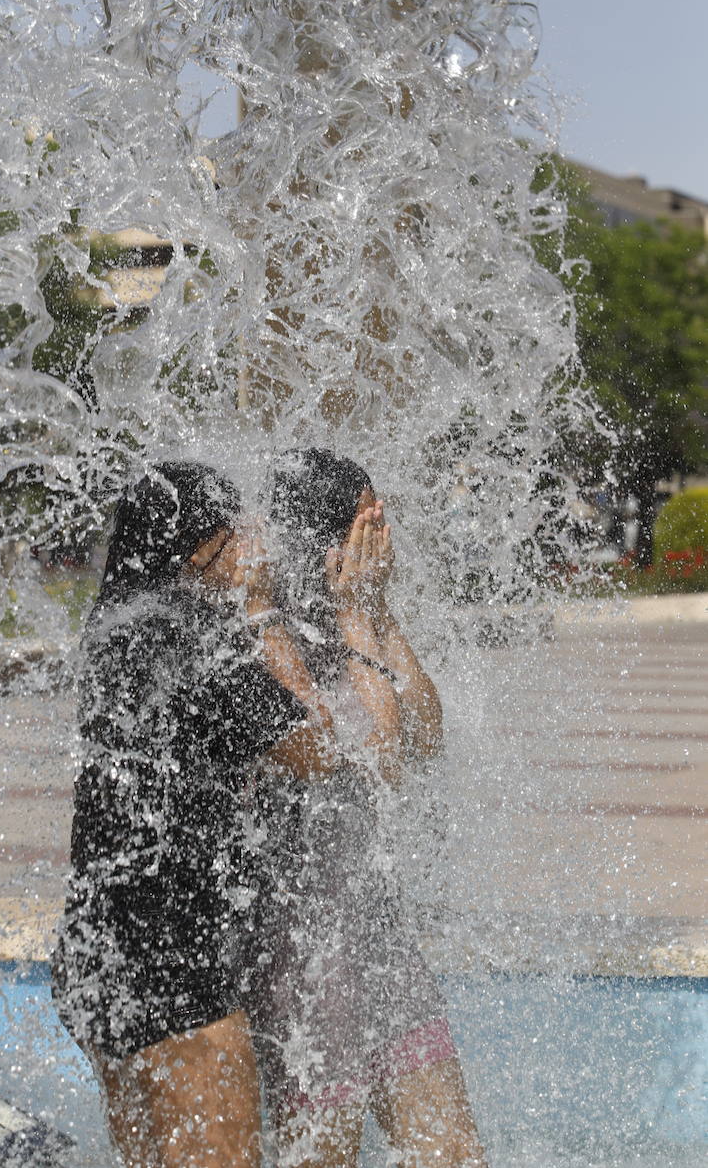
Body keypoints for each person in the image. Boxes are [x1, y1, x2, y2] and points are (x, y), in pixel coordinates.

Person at [52, 460, 336, 1168]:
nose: (253, 534)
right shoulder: (197, 638)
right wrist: (262, 606)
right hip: (176, 963)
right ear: (201, 545)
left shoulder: (114, 630)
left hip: (96, 949)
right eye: (235, 522)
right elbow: (318, 748)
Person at [244, 448, 486, 1167]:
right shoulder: (269, 633)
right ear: (327, 539)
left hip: (375, 930)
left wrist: (377, 613)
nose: (381, 537)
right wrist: (355, 611)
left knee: (452, 1153)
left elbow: (425, 741)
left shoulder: (355, 619)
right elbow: (378, 758)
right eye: (368, 522)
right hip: (301, 946)